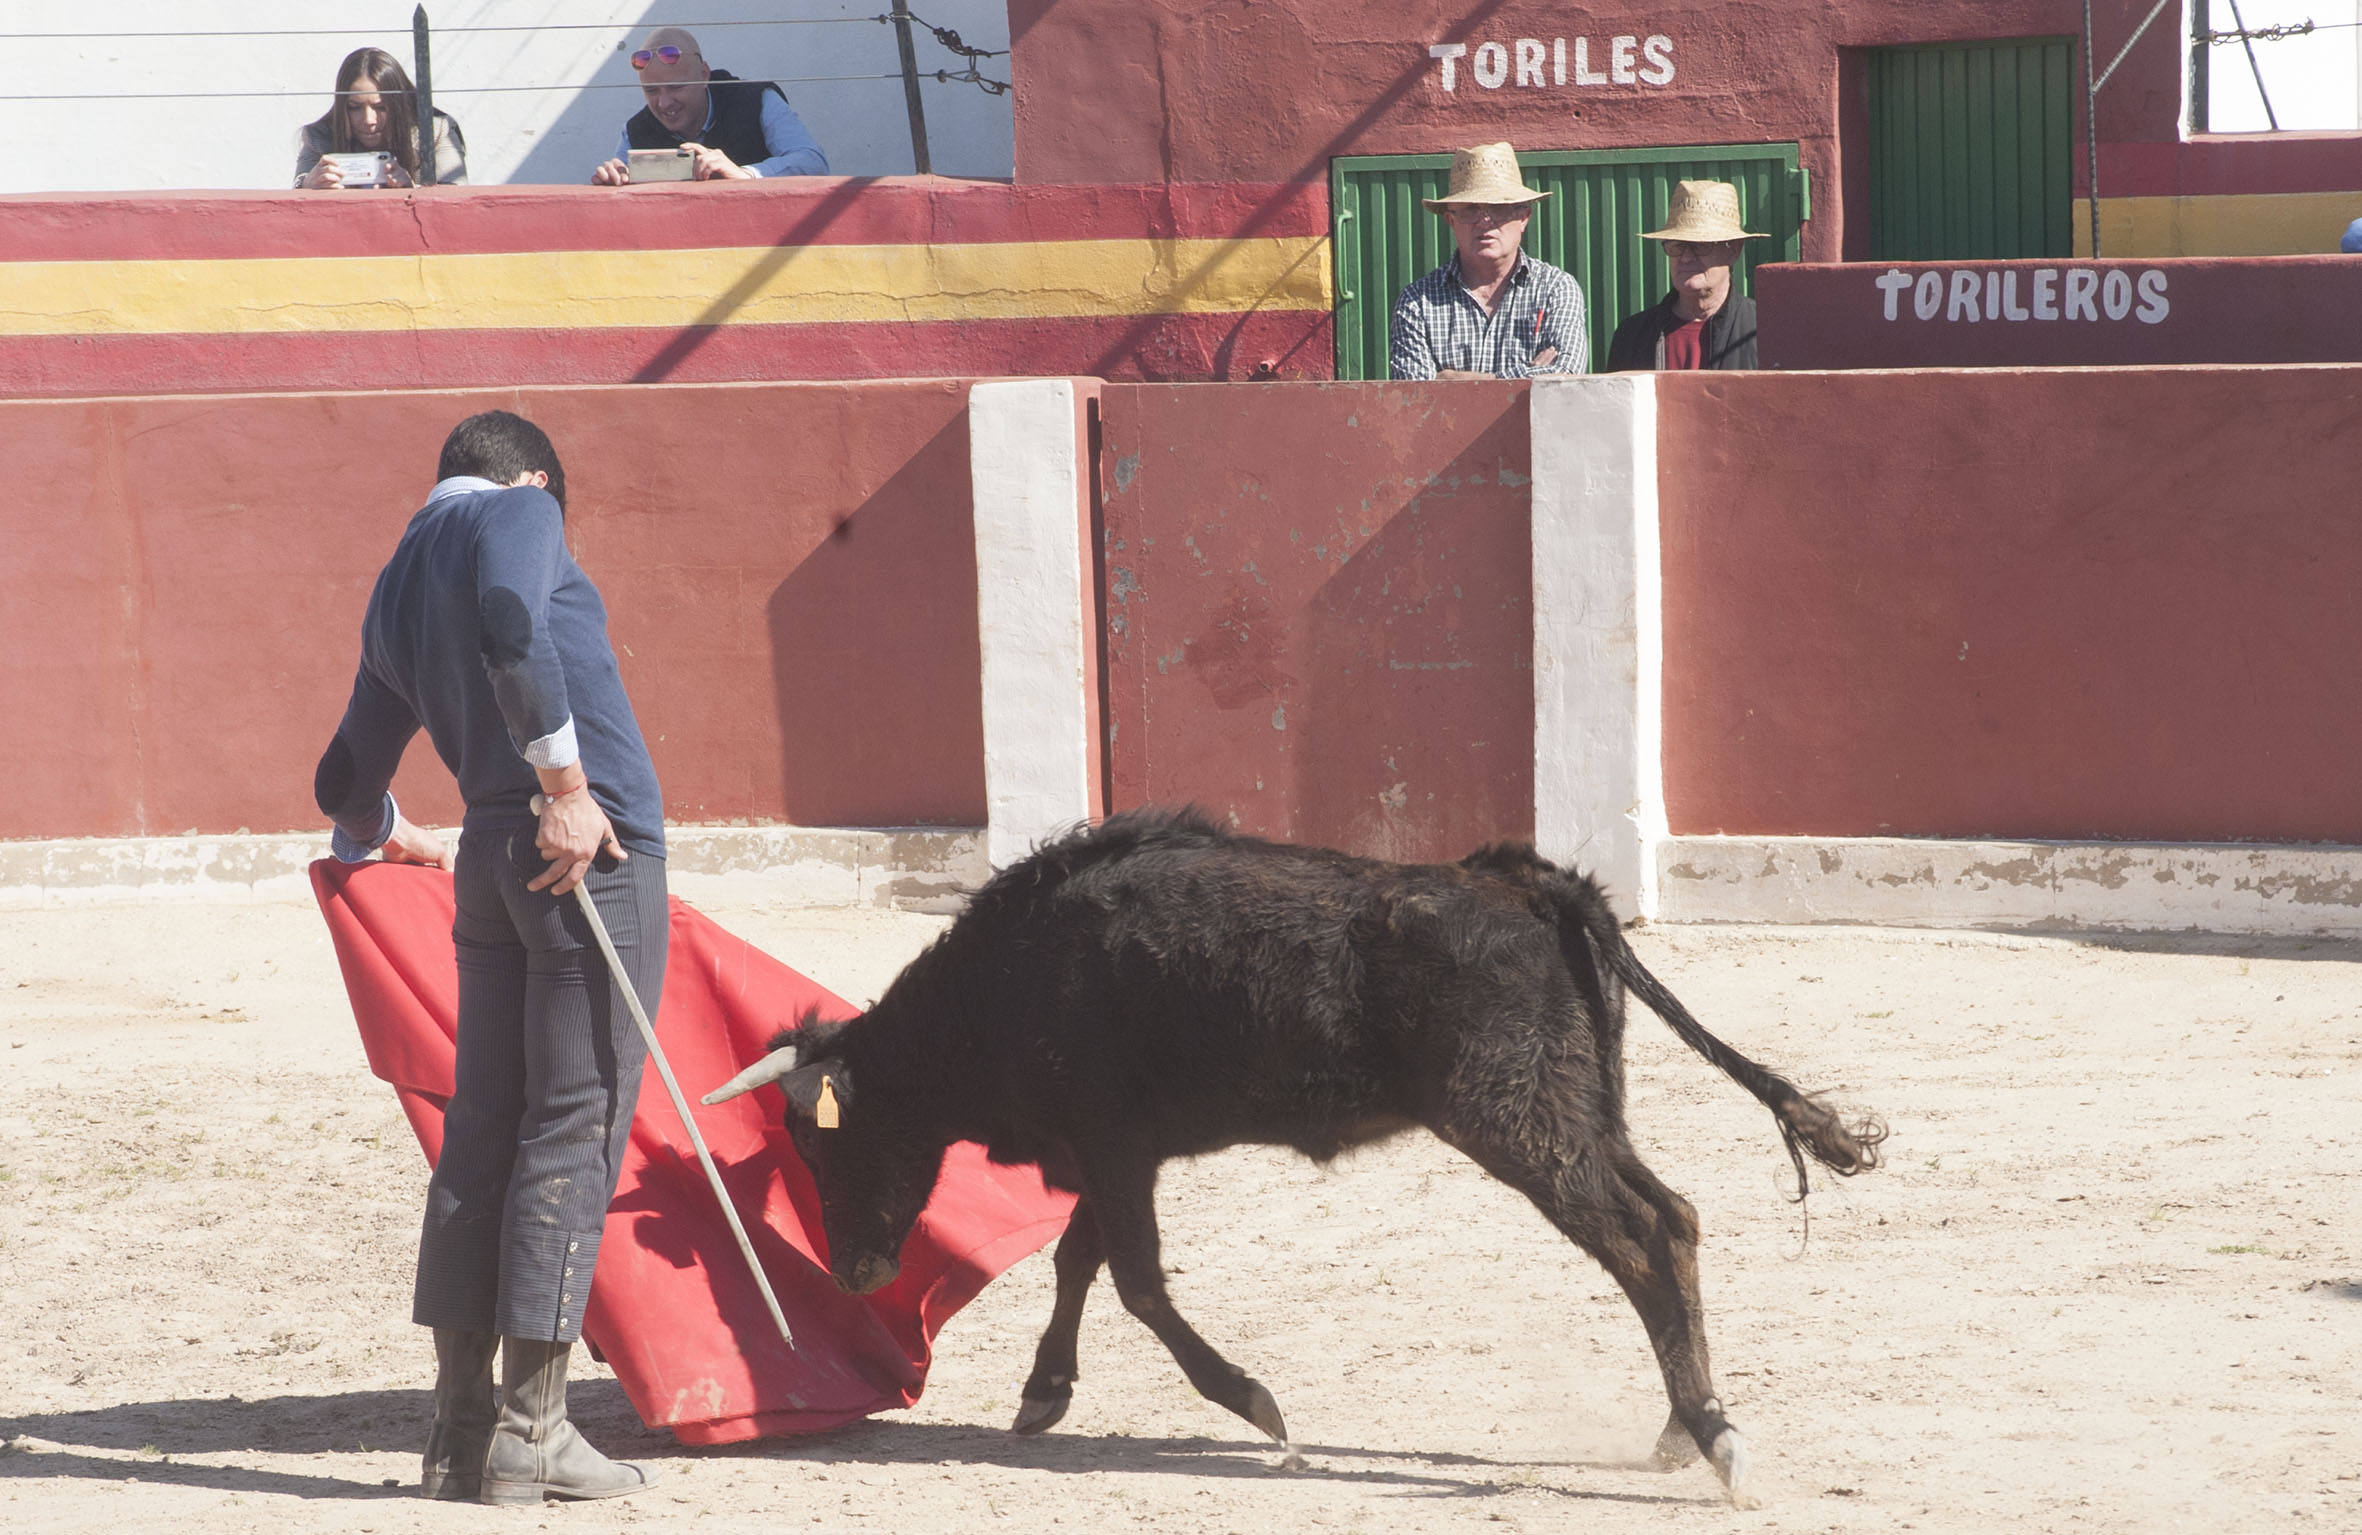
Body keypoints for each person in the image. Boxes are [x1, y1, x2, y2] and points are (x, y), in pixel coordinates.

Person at [314, 411, 666, 1505]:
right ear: (533, 476)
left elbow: (343, 774)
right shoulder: (519, 511)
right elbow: (516, 623)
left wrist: (378, 831)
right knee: (575, 1118)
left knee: (485, 1126)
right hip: (582, 853)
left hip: (487, 855)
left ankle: (458, 1435)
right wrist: (565, 790)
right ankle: (534, 1432)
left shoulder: (397, 575)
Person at [1389, 141, 1587, 381]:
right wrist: (1529, 376)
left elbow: (1566, 373)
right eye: (1470, 209)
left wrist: (1471, 382)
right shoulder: (1417, 301)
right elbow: (1415, 397)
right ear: (1451, 221)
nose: (1484, 221)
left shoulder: (1556, 288)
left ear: (1523, 218)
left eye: (1498, 207)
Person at [591, 27, 826, 184]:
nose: (664, 102)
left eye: (675, 88)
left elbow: (813, 162)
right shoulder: (635, 131)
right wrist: (612, 180)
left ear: (704, 74)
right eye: (651, 91)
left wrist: (746, 174)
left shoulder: (756, 100)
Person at [1606, 181, 1761, 372]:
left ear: (1733, 250)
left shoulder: (1761, 331)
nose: (1686, 257)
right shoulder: (1632, 336)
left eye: (1701, 245)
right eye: (1677, 245)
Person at [296, 47, 466, 189]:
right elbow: (295, 206)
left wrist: (412, 190)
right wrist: (307, 186)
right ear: (341, 108)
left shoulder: (436, 130)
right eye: (354, 107)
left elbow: (455, 199)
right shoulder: (318, 137)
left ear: (399, 104)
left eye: (381, 107)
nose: (369, 120)